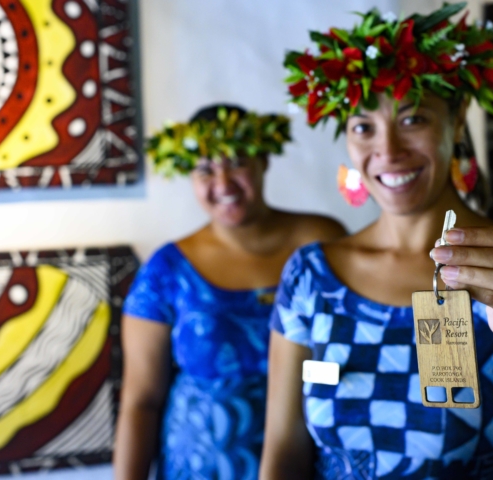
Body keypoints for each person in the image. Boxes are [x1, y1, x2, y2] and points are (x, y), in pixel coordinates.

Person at [261, 5, 493, 479]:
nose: (388, 151)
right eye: (363, 127)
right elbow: (283, 448)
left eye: (413, 119)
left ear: (457, 122)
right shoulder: (311, 276)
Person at [114, 104, 346, 480]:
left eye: (237, 162)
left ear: (263, 161)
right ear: (187, 174)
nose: (222, 184)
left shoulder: (320, 241)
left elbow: (357, 349)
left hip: (313, 460)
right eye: (205, 169)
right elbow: (141, 402)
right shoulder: (167, 271)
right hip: (200, 468)